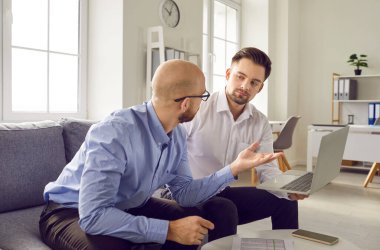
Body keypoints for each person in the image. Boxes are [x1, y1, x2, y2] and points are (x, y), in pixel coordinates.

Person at [39, 59, 282, 250]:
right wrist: (167, 230)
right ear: (186, 103)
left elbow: (185, 194)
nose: (204, 102)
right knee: (114, 246)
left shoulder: (176, 134)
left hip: (129, 204)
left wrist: (234, 169)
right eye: (203, 96)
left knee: (195, 217)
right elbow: (93, 216)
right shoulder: (115, 133)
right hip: (69, 211)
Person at [182, 47, 308, 230]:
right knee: (225, 209)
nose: (245, 86)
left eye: (254, 82)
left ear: (260, 87)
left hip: (221, 192)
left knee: (285, 201)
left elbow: (267, 171)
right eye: (240, 77)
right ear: (228, 74)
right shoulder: (199, 108)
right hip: (191, 194)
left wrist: (287, 190)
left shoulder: (259, 122)